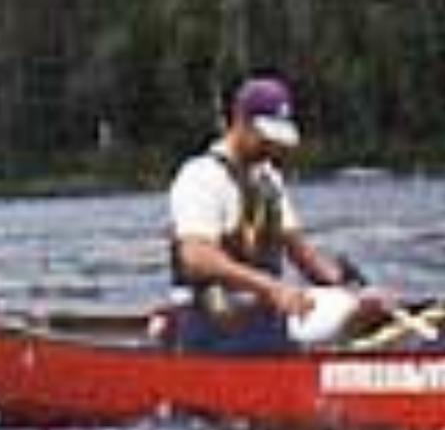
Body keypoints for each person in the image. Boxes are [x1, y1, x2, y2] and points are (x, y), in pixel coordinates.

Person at [165, 74, 387, 352]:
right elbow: (197, 257)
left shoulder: (268, 179)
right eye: (266, 138)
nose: (274, 148)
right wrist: (270, 288)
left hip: (264, 323)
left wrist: (353, 289)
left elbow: (302, 253)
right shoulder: (201, 176)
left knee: (350, 310)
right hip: (211, 327)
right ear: (241, 122)